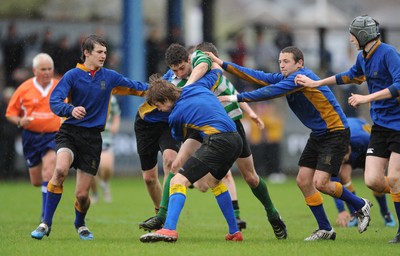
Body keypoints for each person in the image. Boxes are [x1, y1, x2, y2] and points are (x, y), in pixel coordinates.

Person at [209, 45, 372, 241]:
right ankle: (325, 229)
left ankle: (360, 204)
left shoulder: (299, 78)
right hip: (319, 133)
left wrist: (235, 97)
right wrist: (223, 64)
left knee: (321, 183)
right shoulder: (286, 78)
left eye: (286, 61)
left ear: (299, 63)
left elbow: (269, 92)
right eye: (280, 62)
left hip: (335, 132)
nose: (282, 65)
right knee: (303, 181)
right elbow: (256, 76)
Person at [140, 43, 288, 239]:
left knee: (249, 177)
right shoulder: (181, 81)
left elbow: (228, 87)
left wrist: (250, 113)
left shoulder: (201, 70)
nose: (179, 73)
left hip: (228, 127)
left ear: (190, 61)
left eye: (182, 68)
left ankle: (272, 214)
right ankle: (164, 217)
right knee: (181, 167)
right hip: (208, 130)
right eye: (174, 70)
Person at [30, 35, 148, 241]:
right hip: (69, 133)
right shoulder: (72, 76)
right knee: (59, 171)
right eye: (99, 52)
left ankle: (80, 223)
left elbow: (137, 87)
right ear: (86, 53)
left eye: (105, 52)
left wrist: (164, 87)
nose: (104, 56)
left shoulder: (109, 77)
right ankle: (45, 223)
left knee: (82, 196)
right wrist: (70, 109)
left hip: (92, 139)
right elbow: (55, 101)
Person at [295, 15, 400, 243]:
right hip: (381, 127)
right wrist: (316, 83)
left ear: (362, 35)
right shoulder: (364, 57)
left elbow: (399, 84)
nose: (351, 39)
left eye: (352, 35)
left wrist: (367, 98)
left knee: (393, 177)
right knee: (373, 181)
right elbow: (349, 76)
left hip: (399, 125)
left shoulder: (389, 53)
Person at [139, 43, 249, 232]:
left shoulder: (174, 116)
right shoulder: (200, 85)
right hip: (235, 138)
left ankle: (169, 229)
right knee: (214, 182)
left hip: (218, 140)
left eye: (158, 105)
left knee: (177, 180)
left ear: (166, 100)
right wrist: (214, 63)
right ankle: (234, 232)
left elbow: (178, 138)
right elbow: (216, 73)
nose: (158, 110)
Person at [5, 53, 59, 220]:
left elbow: (71, 104)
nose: (47, 72)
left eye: (50, 69)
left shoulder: (60, 86)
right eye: (43, 69)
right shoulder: (24, 88)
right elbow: (10, 114)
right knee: (36, 180)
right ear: (35, 70)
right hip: (31, 137)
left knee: (49, 171)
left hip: (53, 136)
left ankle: (45, 216)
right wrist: (21, 121)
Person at [332, 117, 395, 228]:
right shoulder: (334, 146)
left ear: (348, 150)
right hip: (349, 146)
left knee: (375, 182)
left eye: (344, 160)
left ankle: (385, 213)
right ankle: (355, 213)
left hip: (367, 151)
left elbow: (382, 149)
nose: (341, 163)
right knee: (343, 175)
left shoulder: (363, 138)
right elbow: (333, 180)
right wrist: (341, 210)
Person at [90, 95, 121, 203]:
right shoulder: (86, 94)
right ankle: (95, 193)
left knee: (107, 167)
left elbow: (116, 114)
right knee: (90, 171)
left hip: (106, 137)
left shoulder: (111, 98)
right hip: (89, 137)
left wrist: (115, 125)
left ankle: (105, 183)